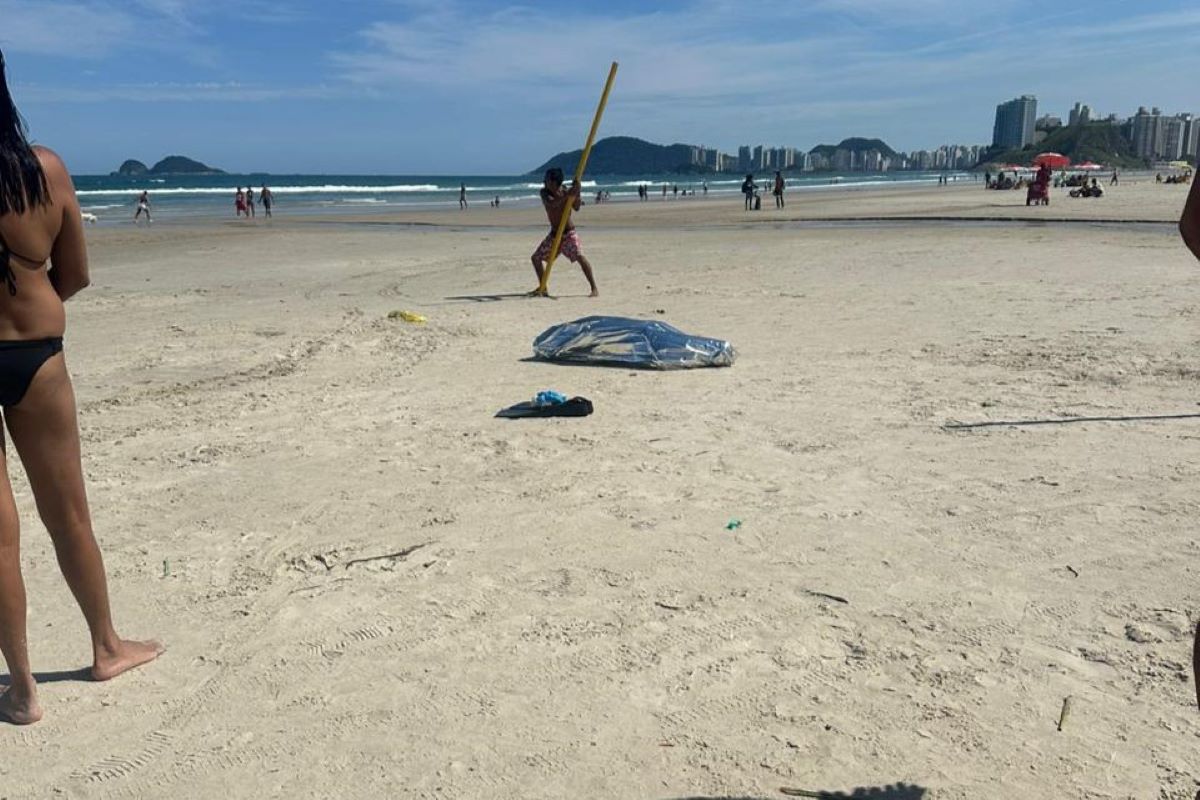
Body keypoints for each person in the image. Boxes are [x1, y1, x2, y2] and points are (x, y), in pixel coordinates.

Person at [0, 49, 161, 725]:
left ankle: (24, 689)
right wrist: (37, 302)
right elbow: (77, 274)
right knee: (68, 514)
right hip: (34, 352)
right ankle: (104, 645)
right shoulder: (44, 170)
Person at [529, 167, 598, 297]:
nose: (544, 182)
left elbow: (576, 207)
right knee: (536, 258)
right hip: (554, 234)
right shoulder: (544, 192)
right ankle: (543, 287)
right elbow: (551, 204)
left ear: (555, 182)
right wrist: (568, 195)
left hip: (568, 233)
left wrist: (577, 192)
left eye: (547, 180)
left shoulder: (566, 190)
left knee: (579, 256)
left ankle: (594, 288)